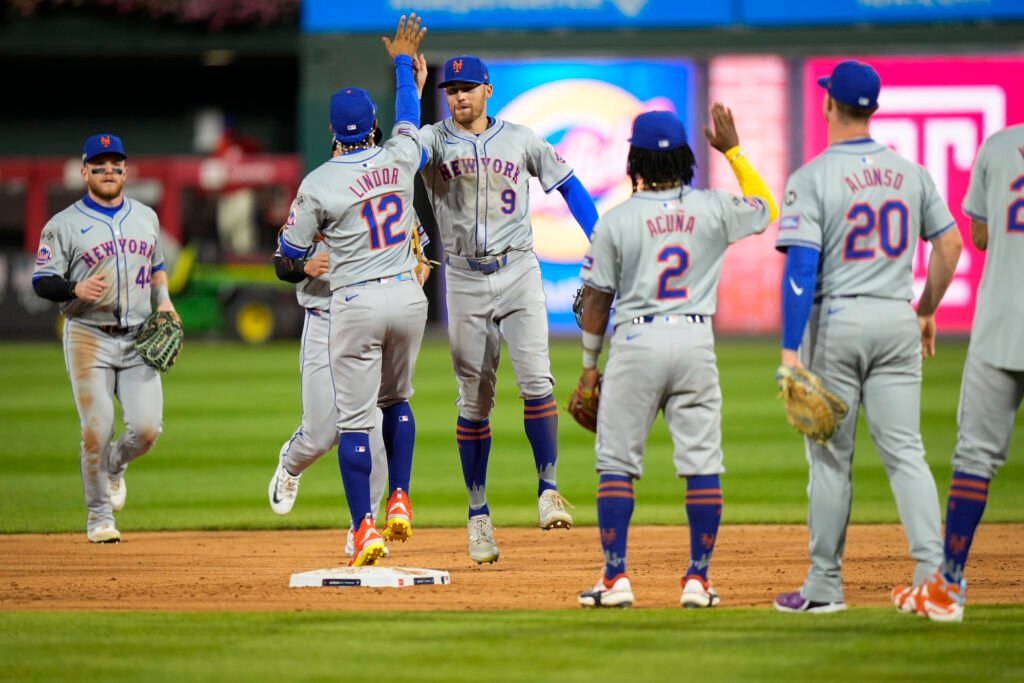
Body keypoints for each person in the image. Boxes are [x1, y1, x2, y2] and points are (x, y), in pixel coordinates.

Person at [772, 61, 963, 613]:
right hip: (896, 317)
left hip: (839, 322)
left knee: (831, 458)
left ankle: (825, 588)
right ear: (872, 108)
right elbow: (949, 248)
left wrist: (790, 351)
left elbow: (801, 270)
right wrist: (925, 309)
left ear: (830, 105)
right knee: (907, 453)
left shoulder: (811, 178)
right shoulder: (911, 171)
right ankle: (936, 582)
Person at [574, 107, 777, 608]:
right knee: (701, 463)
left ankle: (616, 578)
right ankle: (698, 580)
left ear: (633, 159)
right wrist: (732, 150)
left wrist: (588, 371)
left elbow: (596, 305)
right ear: (686, 157)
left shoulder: (617, 220)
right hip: (694, 340)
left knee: (617, 464)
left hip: (636, 343)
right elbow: (766, 208)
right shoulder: (713, 208)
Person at [417, 54, 599, 564]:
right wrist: (408, 90)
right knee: (473, 401)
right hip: (464, 279)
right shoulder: (433, 140)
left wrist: (599, 240)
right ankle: (478, 517)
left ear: (488, 89)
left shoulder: (521, 138)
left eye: (468, 87)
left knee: (538, 381)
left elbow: (569, 185)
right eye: (452, 88)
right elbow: (402, 156)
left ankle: (548, 489)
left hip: (518, 270)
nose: (459, 96)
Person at [277, 14, 428, 567]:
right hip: (408, 298)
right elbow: (410, 118)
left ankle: (362, 529)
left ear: (331, 131)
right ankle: (401, 499)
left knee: (355, 423)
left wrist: (303, 259)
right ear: (372, 125)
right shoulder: (399, 157)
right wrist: (404, 70)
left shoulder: (318, 182)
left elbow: (288, 256)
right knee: (398, 402)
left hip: (354, 301)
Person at [892, 123, 1024, 623]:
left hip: (1001, 323)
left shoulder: (998, 147)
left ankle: (947, 586)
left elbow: (981, 234)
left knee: (975, 458)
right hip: (998, 324)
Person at [31, 133, 179, 543]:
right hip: (87, 337)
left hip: (138, 338)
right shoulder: (61, 225)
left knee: (147, 430)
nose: (109, 171)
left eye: (116, 165)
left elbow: (157, 266)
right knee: (96, 427)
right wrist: (74, 290)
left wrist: (164, 301)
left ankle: (115, 466)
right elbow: (41, 281)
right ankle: (99, 518)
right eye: (100, 165)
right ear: (84, 172)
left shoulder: (145, 216)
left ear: (126, 171)